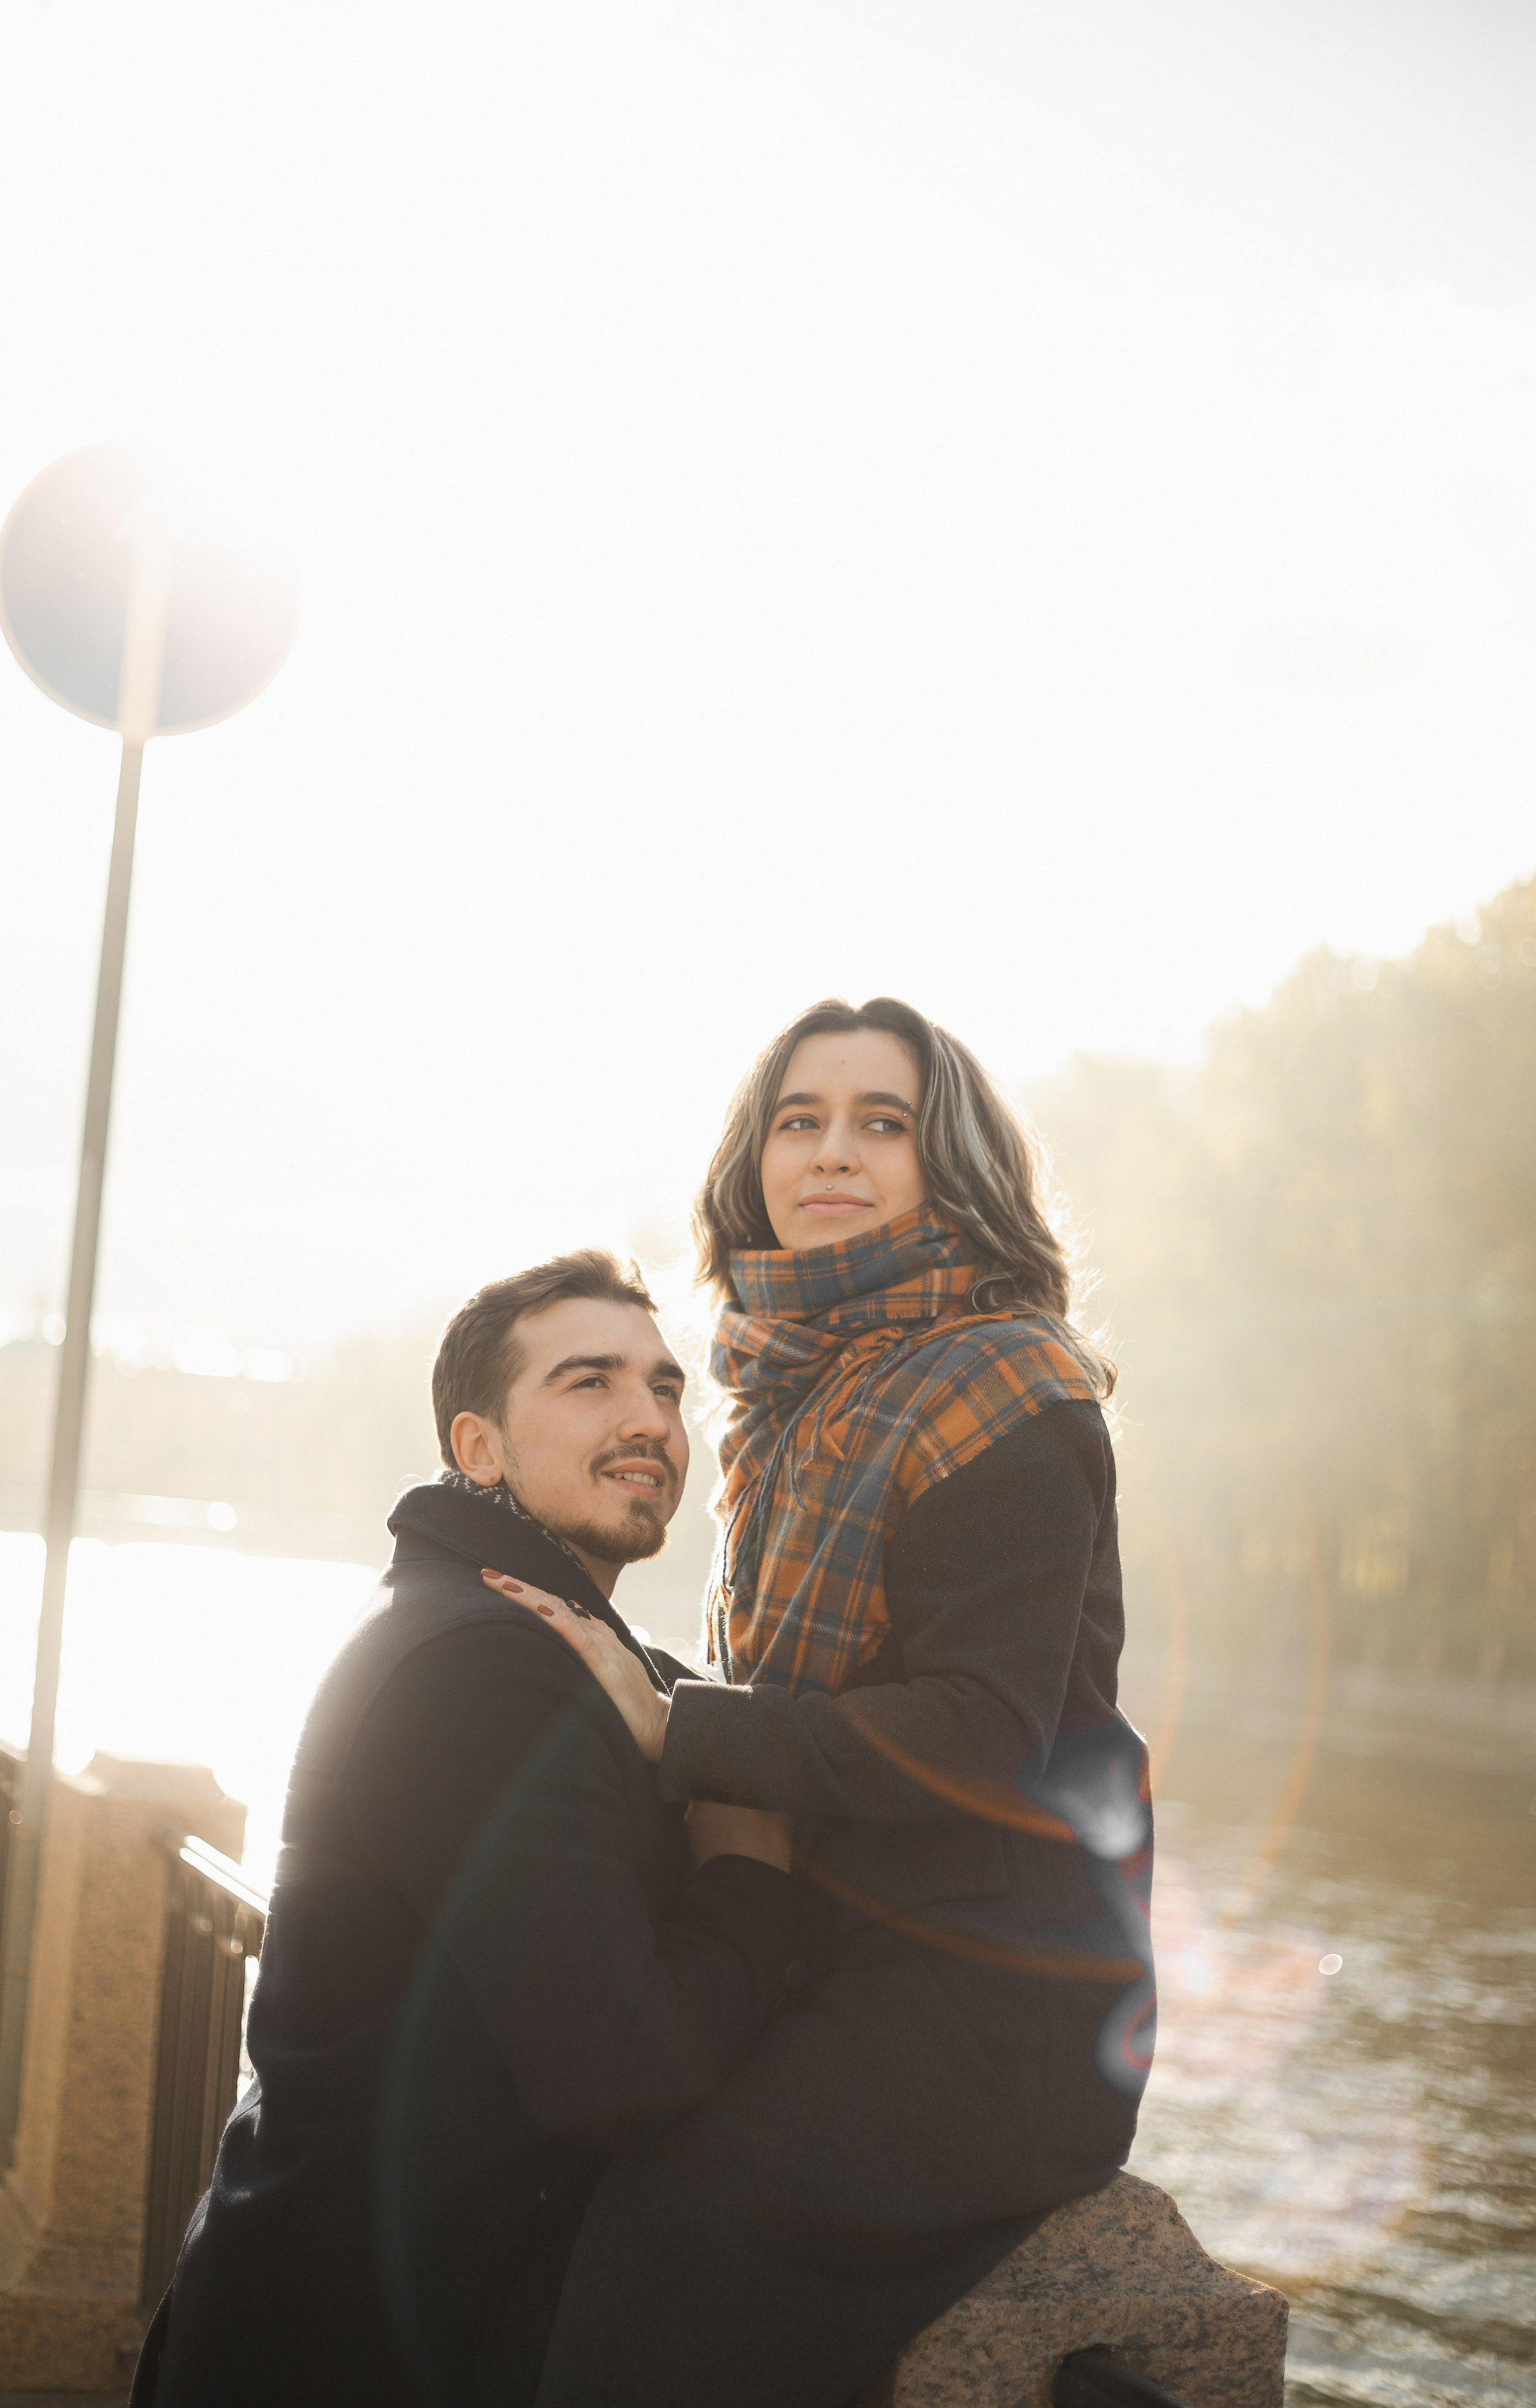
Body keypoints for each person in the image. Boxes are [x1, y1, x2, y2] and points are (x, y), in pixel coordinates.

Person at [501, 996, 1157, 2408]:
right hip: (829, 1944)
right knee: (554, 2147)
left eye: (882, 1123)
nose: (832, 1152)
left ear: (951, 1163)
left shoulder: (1010, 1391)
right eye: (799, 1121)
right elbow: (784, 1691)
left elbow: (981, 1732)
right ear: (756, 1160)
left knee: (667, 2234)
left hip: (993, 2006)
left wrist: (680, 1727)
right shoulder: (791, 1392)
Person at [133, 1249, 835, 2408]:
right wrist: (750, 1881)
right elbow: (620, 2069)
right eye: (589, 1382)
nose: (648, 1419)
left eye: (664, 1388)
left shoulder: (516, 1631)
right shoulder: (483, 1669)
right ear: (479, 1448)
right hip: (357, 2349)